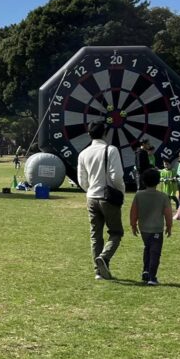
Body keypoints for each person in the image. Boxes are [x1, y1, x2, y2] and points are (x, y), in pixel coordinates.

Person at [77, 120, 125, 280]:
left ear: (89, 134)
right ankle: (104, 258)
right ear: (105, 133)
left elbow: (81, 179)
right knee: (116, 232)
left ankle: (98, 272)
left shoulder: (83, 153)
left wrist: (90, 190)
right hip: (108, 197)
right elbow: (116, 176)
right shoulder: (110, 150)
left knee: (95, 235)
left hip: (91, 196)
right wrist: (120, 191)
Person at [130, 168, 172, 285]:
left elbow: (133, 212)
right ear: (158, 181)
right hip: (156, 229)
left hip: (144, 229)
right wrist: (169, 227)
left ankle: (146, 270)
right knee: (155, 252)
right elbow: (168, 214)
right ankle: (152, 277)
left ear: (143, 181)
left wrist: (133, 225)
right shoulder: (163, 196)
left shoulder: (139, 195)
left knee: (147, 248)